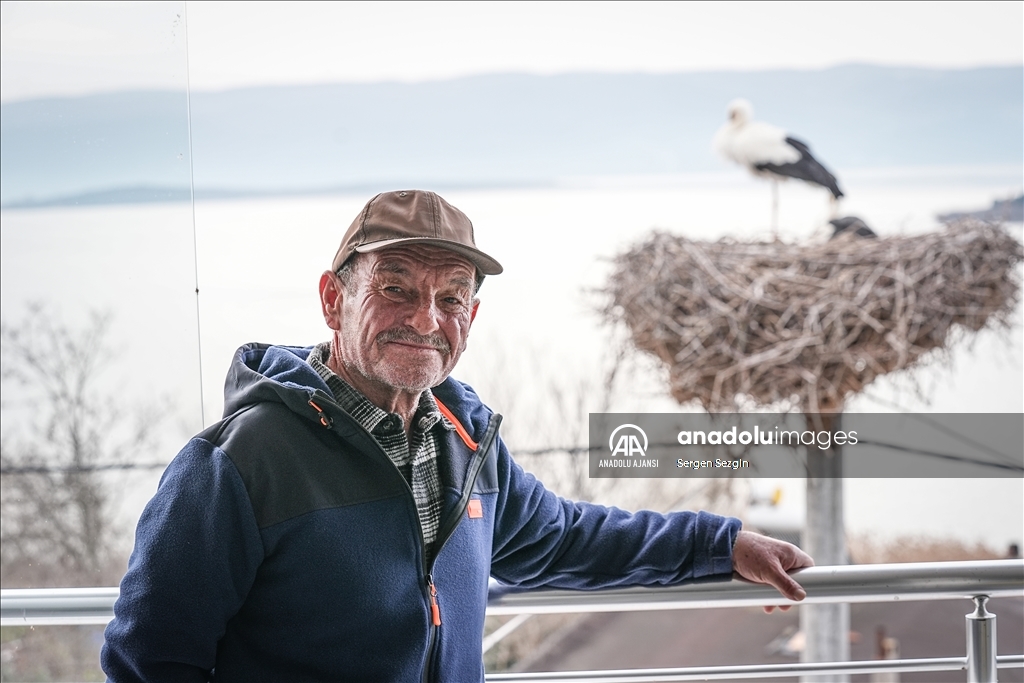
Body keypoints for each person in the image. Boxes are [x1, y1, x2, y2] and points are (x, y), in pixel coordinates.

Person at [102, 190, 813, 682]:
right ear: (333, 298)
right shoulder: (238, 462)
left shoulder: (463, 441)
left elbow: (563, 536)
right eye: (396, 288)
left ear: (472, 316)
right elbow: (150, 661)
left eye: (451, 297)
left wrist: (720, 545)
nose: (427, 318)